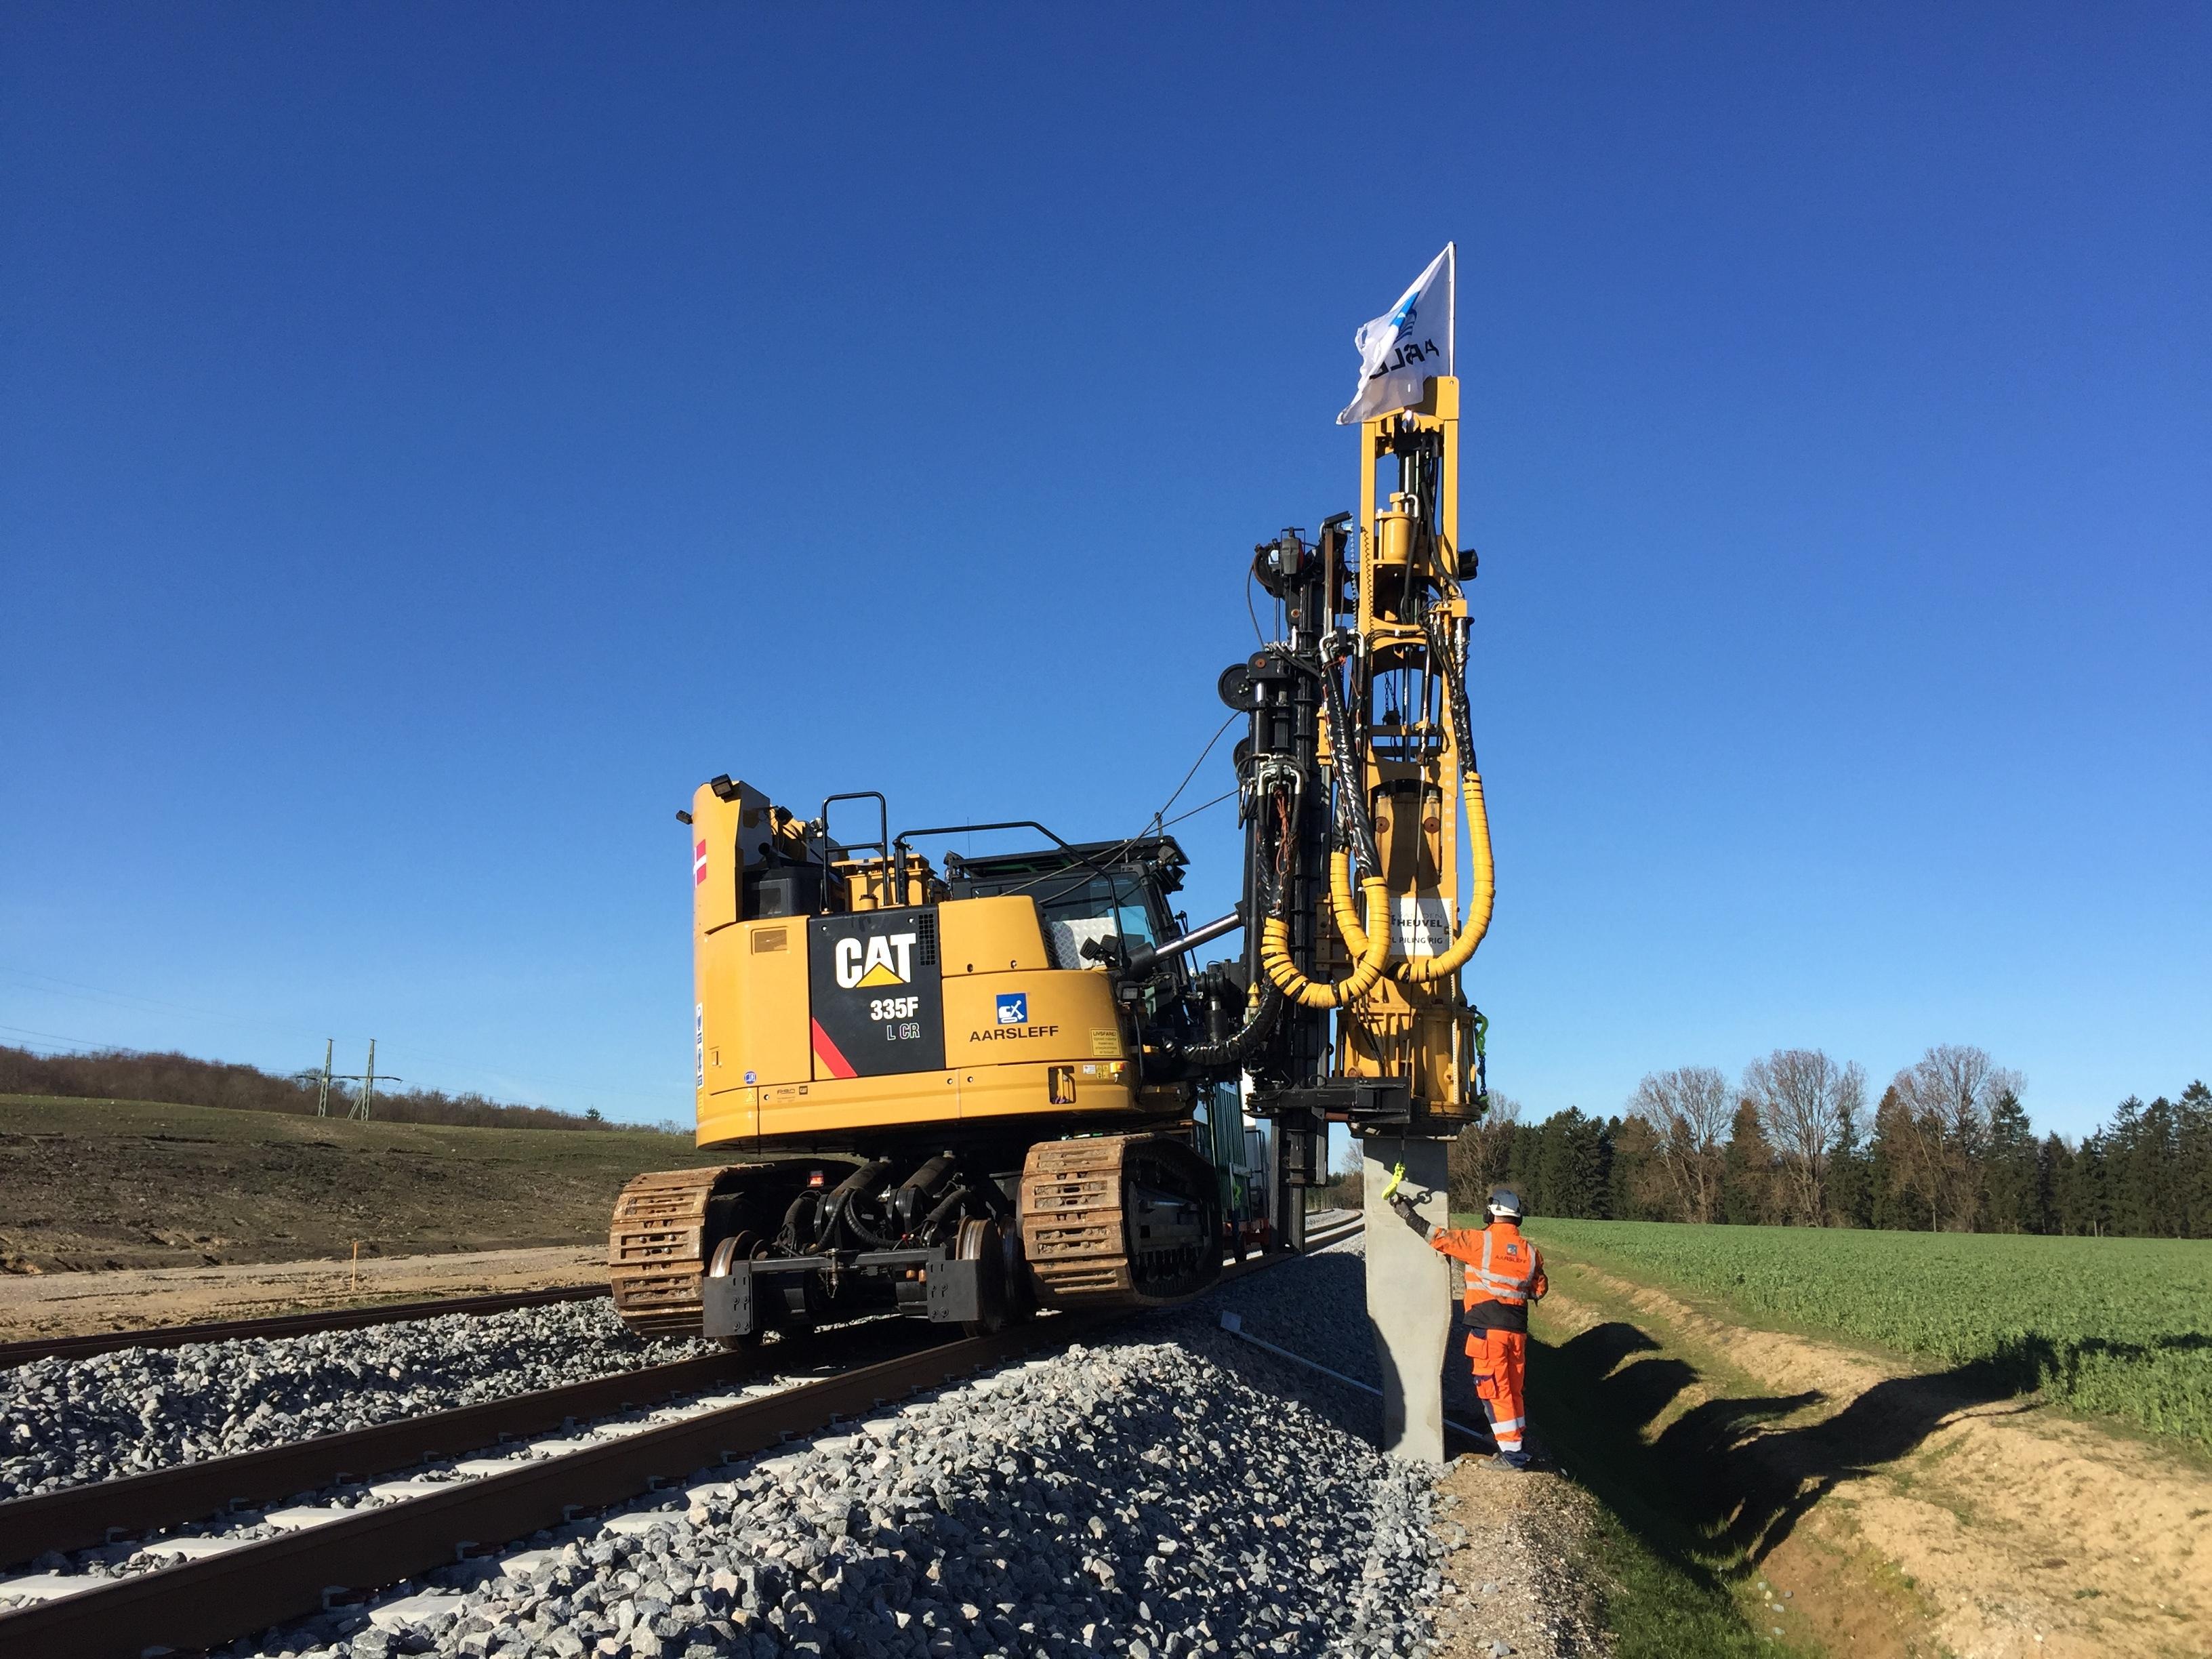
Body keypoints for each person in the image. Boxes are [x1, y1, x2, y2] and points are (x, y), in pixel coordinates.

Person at [1386, 1175, 1547, 1467]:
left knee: (1494, 1389)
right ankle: (1514, 1437)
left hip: (1489, 1331)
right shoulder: (1532, 1253)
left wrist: (1407, 1213)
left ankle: (1512, 1455)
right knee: (1512, 1387)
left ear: (1492, 1214)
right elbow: (1540, 1289)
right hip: (1517, 1333)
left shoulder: (1479, 1242)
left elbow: (1438, 1238)